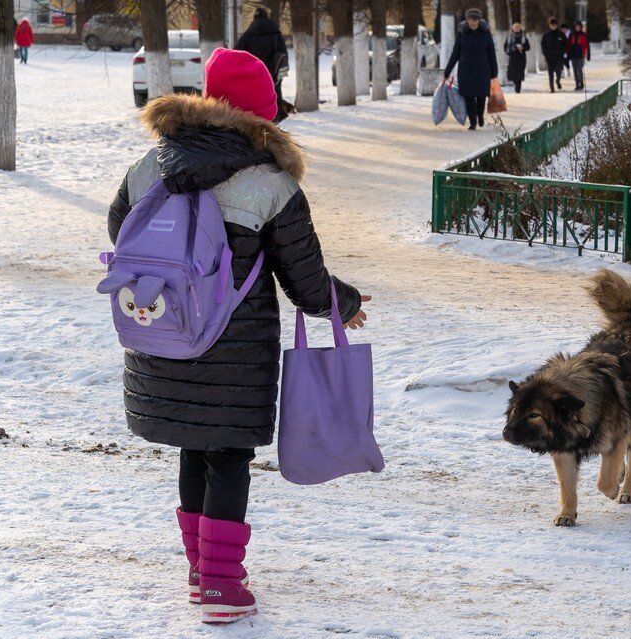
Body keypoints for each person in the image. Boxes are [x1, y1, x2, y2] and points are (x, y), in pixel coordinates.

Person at [106, 48, 368, 624]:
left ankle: (203, 570)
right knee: (227, 453)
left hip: (164, 328)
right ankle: (222, 587)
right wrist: (342, 303)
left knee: (194, 445)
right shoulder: (270, 183)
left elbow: (120, 230)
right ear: (261, 113)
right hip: (234, 347)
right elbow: (303, 276)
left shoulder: (149, 164)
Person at [444, 8, 498, 130]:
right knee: (468, 96)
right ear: (467, 20)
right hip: (466, 70)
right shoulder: (462, 33)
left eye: (475, 19)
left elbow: (491, 53)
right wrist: (448, 70)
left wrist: (494, 72)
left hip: (482, 70)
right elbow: (455, 53)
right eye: (470, 20)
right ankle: (472, 121)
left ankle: (480, 114)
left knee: (481, 96)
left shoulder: (485, 33)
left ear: (479, 20)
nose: (472, 22)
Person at [235, 8, 289, 122]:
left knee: (255, 95)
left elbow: (237, 53)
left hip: (253, 73)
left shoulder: (248, 35)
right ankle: (275, 117)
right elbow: (283, 53)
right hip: (272, 72)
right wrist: (280, 72)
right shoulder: (275, 33)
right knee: (274, 94)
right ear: (266, 17)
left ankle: (257, 118)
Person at [540, 18, 566, 93]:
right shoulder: (546, 34)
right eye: (552, 25)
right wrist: (545, 53)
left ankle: (558, 81)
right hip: (549, 58)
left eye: (554, 25)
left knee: (558, 73)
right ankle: (552, 88)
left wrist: (562, 52)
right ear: (549, 25)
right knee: (550, 74)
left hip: (559, 58)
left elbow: (565, 44)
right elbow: (543, 44)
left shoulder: (561, 34)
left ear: (557, 25)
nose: (553, 26)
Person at [504, 23, 530, 94]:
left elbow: (528, 47)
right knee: (512, 73)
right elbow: (505, 47)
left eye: (518, 28)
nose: (516, 29)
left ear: (520, 29)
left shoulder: (524, 37)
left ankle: (518, 89)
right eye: (515, 28)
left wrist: (522, 48)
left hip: (521, 58)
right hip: (512, 58)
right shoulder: (509, 38)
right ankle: (515, 84)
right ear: (512, 29)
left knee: (520, 73)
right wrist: (509, 52)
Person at [567, 20, 591, 90]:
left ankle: (581, 83)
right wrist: (568, 54)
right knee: (574, 70)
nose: (577, 28)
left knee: (579, 69)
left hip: (581, 55)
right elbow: (568, 45)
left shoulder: (583, 35)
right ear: (574, 27)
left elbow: (587, 45)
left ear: (580, 27)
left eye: (579, 26)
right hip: (573, 55)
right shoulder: (571, 35)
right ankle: (577, 84)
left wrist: (588, 55)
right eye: (576, 26)